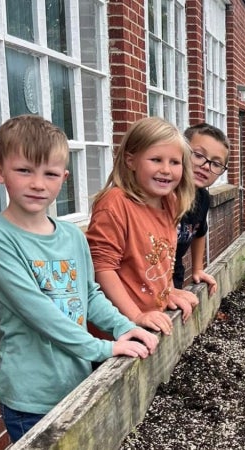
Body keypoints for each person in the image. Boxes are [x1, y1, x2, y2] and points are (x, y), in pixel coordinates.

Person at [0, 115, 158, 442]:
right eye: (24, 171)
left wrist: (124, 326)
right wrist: (104, 348)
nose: (37, 183)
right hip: (31, 394)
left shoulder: (72, 235)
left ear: (64, 177)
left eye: (50, 173)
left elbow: (90, 296)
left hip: (78, 381)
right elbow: (40, 314)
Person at [87, 117, 198, 336]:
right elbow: (102, 269)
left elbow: (156, 263)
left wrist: (168, 292)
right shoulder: (115, 204)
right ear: (131, 161)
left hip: (153, 323)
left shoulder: (169, 202)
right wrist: (136, 315)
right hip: (118, 331)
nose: (166, 169)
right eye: (156, 160)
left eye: (175, 162)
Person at [173, 123, 230, 293]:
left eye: (216, 164)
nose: (206, 166)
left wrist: (198, 268)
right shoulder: (162, 194)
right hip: (143, 282)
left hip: (174, 275)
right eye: (198, 155)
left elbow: (199, 232)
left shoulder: (203, 198)